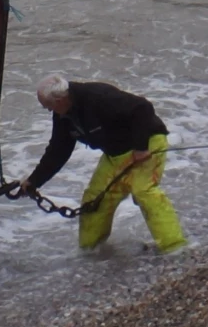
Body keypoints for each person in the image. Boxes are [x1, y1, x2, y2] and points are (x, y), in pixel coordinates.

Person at [15, 76, 185, 254]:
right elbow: (58, 150)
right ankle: (91, 251)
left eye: (48, 106)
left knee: (144, 191)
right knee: (94, 199)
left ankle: (175, 249)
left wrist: (140, 147)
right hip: (115, 155)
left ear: (61, 99)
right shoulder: (62, 115)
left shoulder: (98, 96)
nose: (48, 110)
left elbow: (142, 108)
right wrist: (34, 181)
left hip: (147, 144)